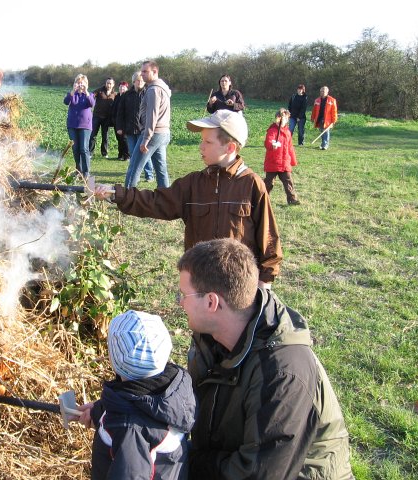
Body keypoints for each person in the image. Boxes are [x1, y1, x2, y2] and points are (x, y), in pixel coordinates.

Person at [176, 238, 354, 479]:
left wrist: (185, 460)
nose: (179, 303)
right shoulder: (211, 337)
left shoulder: (282, 375)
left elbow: (258, 473)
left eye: (183, 295)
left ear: (211, 302)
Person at [95, 109, 282, 289]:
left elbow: (269, 237)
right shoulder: (193, 184)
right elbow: (155, 201)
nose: (201, 147)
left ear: (230, 147)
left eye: (207, 142)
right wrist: (116, 194)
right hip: (200, 282)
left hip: (238, 286)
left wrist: (265, 282)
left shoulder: (251, 184)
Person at [76, 310, 196, 480]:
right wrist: (98, 412)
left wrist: (112, 423)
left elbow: (130, 474)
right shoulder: (173, 388)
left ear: (115, 360)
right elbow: (131, 404)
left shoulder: (128, 430)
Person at [123, 60, 172, 188]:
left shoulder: (153, 90)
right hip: (163, 133)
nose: (142, 74)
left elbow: (152, 116)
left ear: (155, 72)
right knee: (161, 170)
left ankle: (126, 198)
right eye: (142, 71)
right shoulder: (163, 88)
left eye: (145, 71)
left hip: (153, 133)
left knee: (134, 168)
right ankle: (166, 198)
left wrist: (145, 139)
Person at [115, 71, 154, 181]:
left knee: (145, 153)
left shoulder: (148, 93)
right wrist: (119, 127)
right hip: (130, 129)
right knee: (133, 153)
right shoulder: (127, 95)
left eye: (142, 80)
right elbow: (120, 112)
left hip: (143, 130)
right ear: (133, 82)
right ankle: (133, 174)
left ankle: (149, 175)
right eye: (138, 80)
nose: (140, 82)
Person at [264, 108, 300, 205]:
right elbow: (268, 142)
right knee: (268, 183)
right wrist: (272, 145)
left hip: (284, 163)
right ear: (277, 118)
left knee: (288, 181)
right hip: (273, 162)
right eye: (282, 118)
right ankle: (262, 198)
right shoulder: (272, 130)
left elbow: (290, 147)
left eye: (286, 118)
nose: (284, 120)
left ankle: (292, 199)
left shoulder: (287, 132)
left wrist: (293, 160)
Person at [63, 74, 95, 178]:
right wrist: (73, 91)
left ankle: (86, 172)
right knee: (75, 148)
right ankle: (78, 170)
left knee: (84, 148)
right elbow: (66, 101)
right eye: (78, 82)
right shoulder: (72, 94)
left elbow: (92, 104)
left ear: (86, 84)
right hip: (72, 125)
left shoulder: (89, 95)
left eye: (82, 83)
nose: (80, 84)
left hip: (85, 126)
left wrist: (86, 92)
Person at [90, 77, 116, 158]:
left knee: (105, 136)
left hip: (107, 118)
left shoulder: (114, 94)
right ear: (105, 83)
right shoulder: (99, 90)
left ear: (113, 84)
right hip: (97, 116)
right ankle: (90, 153)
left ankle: (104, 153)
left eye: (110, 83)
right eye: (107, 83)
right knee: (93, 135)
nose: (109, 85)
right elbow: (91, 95)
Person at [311, 85, 338, 150]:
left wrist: (334, 120)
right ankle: (323, 144)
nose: (322, 92)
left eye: (324, 91)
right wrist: (313, 117)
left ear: (327, 92)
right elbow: (314, 110)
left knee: (326, 131)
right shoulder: (317, 100)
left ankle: (325, 145)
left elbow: (334, 111)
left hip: (327, 119)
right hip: (319, 118)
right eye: (321, 91)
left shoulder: (332, 100)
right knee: (321, 131)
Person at [112, 81, 130, 161]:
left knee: (124, 138)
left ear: (126, 88)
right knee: (119, 138)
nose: (121, 88)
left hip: (125, 121)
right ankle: (120, 154)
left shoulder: (128, 97)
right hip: (116, 121)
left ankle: (127, 155)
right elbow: (114, 108)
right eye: (120, 87)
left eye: (123, 87)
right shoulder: (117, 97)